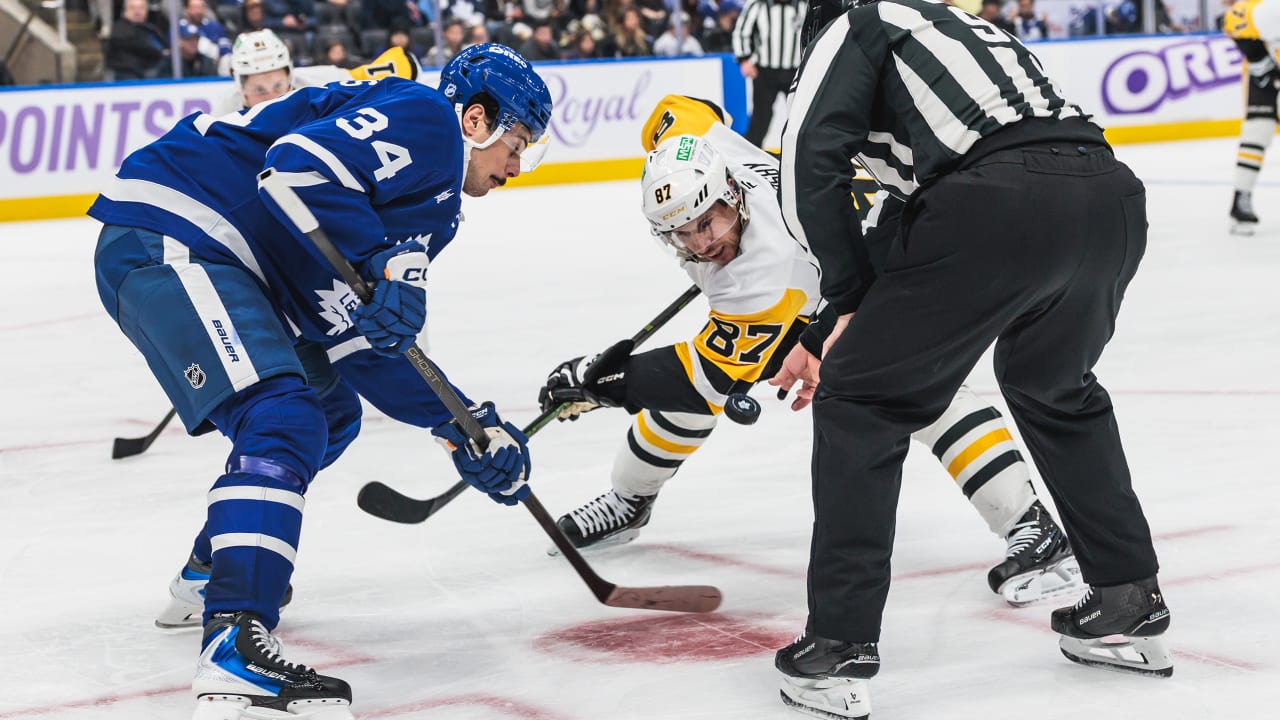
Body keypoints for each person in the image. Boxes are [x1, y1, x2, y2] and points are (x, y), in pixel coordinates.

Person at [88, 43, 552, 719]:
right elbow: (295, 169)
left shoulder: (430, 212)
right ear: (476, 120)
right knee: (283, 416)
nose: (516, 168)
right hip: (178, 231)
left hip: (225, 257)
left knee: (330, 413)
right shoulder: (426, 119)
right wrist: (384, 263)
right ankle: (234, 643)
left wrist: (466, 428)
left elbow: (358, 343)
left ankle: (213, 570)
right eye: (518, 144)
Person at [770, 0, 1172, 715]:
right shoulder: (956, 31)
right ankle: (1126, 602)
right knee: (1056, 386)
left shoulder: (850, 27)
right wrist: (826, 326)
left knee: (862, 404)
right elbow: (907, 220)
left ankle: (838, 647)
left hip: (999, 201)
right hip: (1108, 198)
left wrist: (847, 295)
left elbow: (806, 170)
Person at [538, 94, 1082, 608]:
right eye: (682, 233)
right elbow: (685, 112)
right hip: (858, 251)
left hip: (911, 259)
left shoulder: (761, 276)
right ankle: (630, 498)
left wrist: (600, 380)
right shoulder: (702, 143)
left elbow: (706, 377)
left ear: (729, 192)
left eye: (709, 222)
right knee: (719, 380)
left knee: (919, 386)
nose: (702, 244)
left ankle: (1033, 528)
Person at [217, 29, 425, 113]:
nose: (272, 97)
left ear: (290, 75)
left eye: (278, 85)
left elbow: (405, 66)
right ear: (241, 89)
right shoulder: (224, 117)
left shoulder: (318, 82)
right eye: (260, 90)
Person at [1224, 0, 1279, 234]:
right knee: (1258, 131)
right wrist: (1261, 64)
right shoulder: (1270, 9)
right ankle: (1241, 198)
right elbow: (1235, 18)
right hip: (1264, 79)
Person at [732, 0, 802, 147]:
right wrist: (744, 59)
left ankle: (805, 152)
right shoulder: (757, 4)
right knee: (761, 118)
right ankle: (750, 155)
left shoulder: (805, 4)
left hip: (796, 71)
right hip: (765, 71)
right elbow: (741, 32)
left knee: (802, 116)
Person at [105, 0, 168, 80]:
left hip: (155, 71)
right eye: (133, 8)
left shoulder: (150, 28)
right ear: (125, 11)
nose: (137, 12)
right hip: (130, 75)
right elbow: (139, 45)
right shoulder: (120, 29)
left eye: (141, 8)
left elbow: (165, 45)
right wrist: (161, 52)